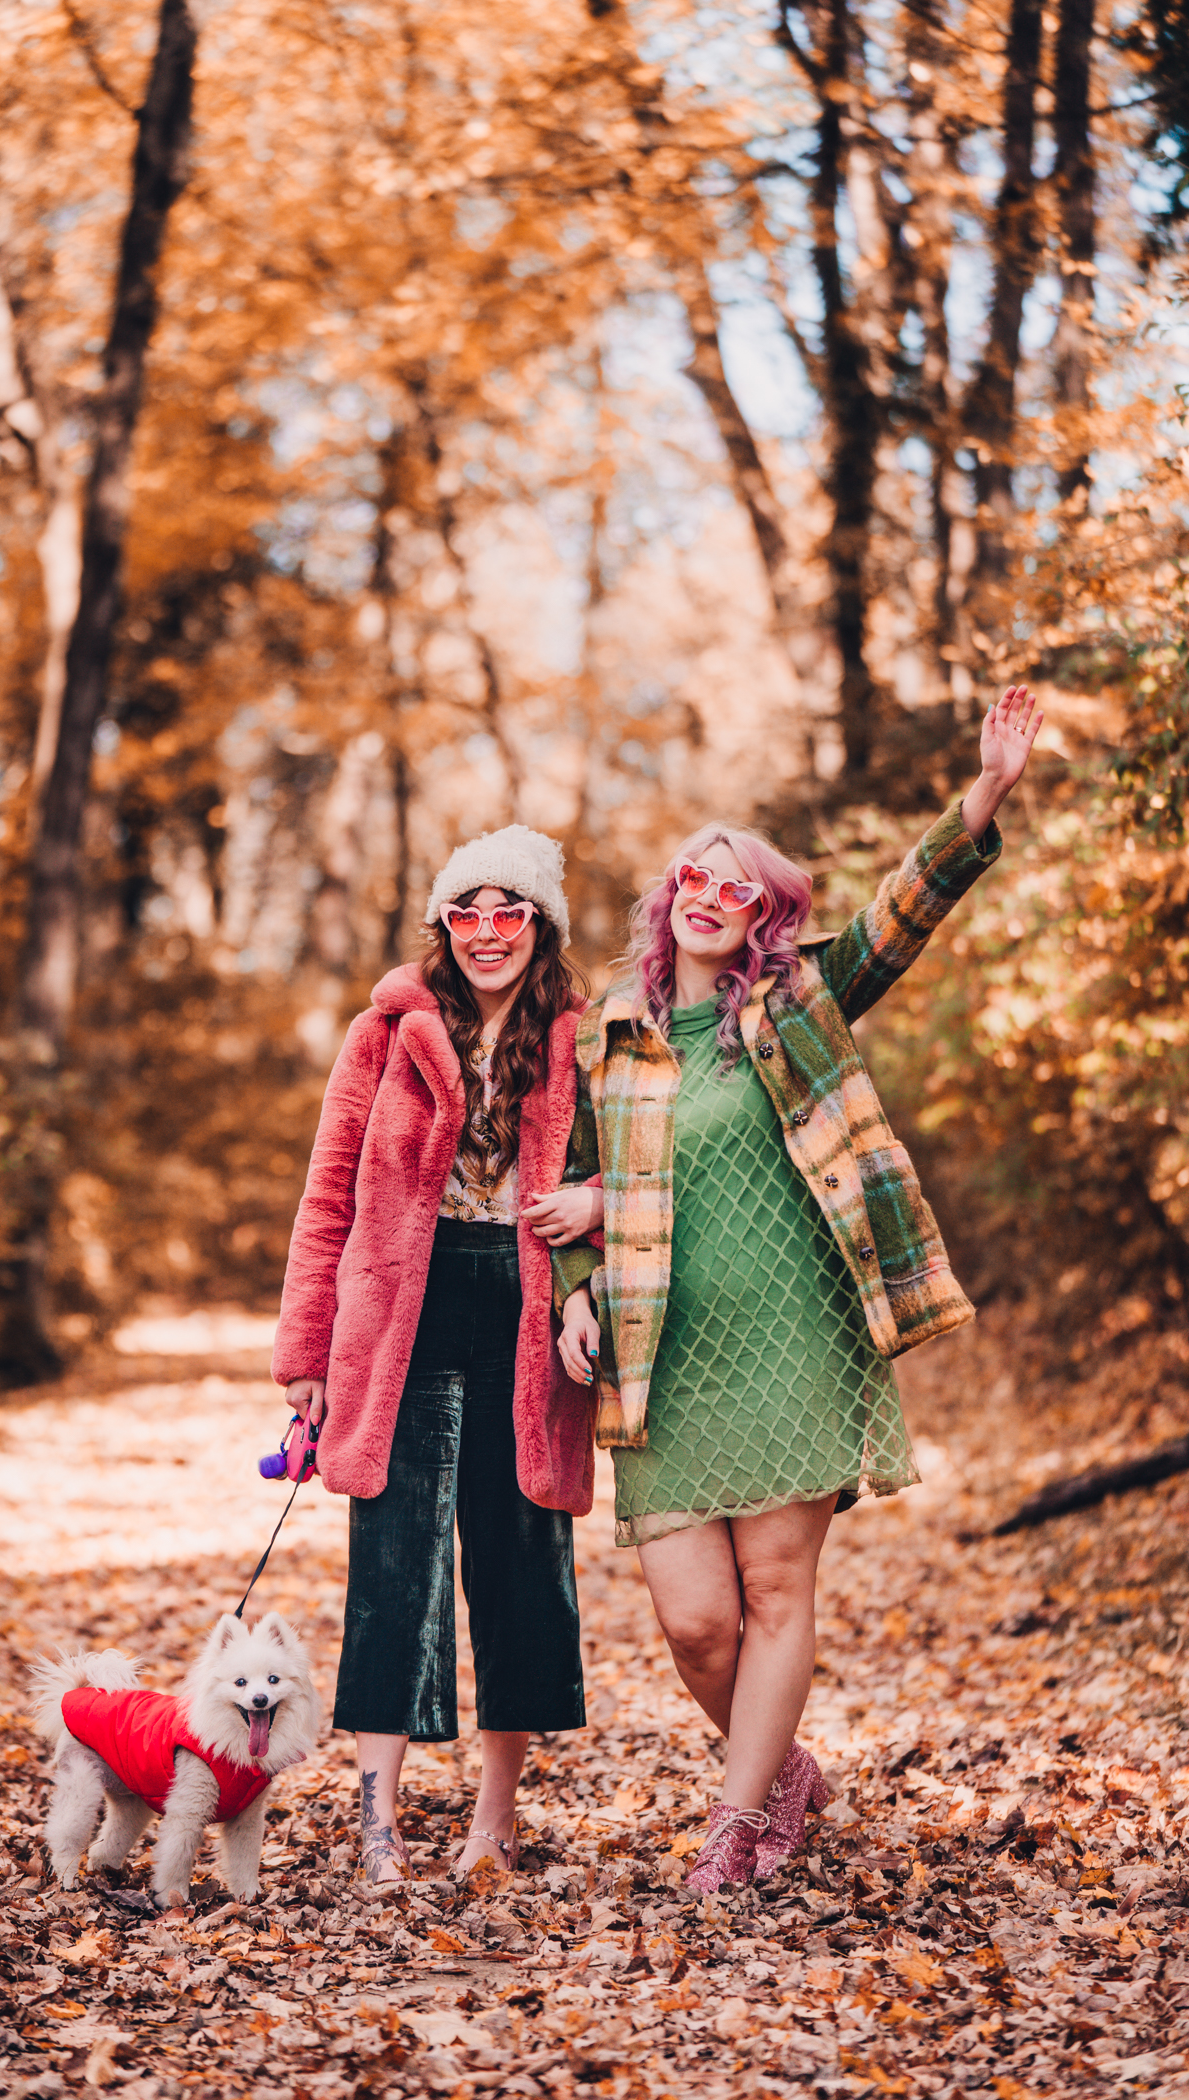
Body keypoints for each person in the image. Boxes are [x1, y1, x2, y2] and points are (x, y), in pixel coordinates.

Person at [553, 686, 1044, 1889]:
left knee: (773, 1588)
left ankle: (732, 1830)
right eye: (697, 880)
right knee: (693, 1621)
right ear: (669, 897)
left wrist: (981, 794)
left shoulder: (794, 1004)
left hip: (795, 1337)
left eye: (742, 891)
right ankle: (781, 1777)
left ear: (764, 917)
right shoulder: (600, 1035)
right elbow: (564, 1179)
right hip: (657, 1348)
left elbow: (897, 918)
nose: (714, 900)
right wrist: (574, 1282)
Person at [273, 826, 603, 1884]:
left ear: (539, 925)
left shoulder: (577, 1040)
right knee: (393, 1567)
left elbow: (634, 1177)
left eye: (509, 912)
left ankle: (490, 1825)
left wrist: (588, 1215)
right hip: (399, 1321)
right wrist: (306, 1353)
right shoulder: (383, 1034)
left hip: (528, 1314)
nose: (486, 933)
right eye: (466, 911)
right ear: (441, 924)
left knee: (517, 1562)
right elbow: (328, 1195)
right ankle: (379, 1824)